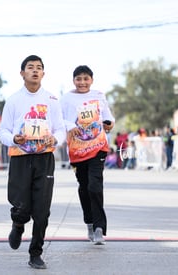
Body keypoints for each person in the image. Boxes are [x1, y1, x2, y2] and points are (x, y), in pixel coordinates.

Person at [0, 55, 66, 270]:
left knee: (42, 210)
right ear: (22, 73)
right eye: (30, 67)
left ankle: (36, 253)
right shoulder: (14, 100)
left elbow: (61, 129)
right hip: (20, 157)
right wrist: (13, 139)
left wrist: (55, 139)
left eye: (39, 68)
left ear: (43, 74)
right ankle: (18, 224)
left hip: (44, 158)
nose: (35, 71)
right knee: (21, 205)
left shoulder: (52, 100)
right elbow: (3, 131)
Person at [60, 65, 115, 245]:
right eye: (79, 79)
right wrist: (71, 126)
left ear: (92, 80)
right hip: (77, 149)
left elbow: (107, 115)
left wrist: (109, 123)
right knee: (84, 187)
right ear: (73, 80)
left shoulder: (98, 96)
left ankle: (99, 229)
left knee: (95, 186)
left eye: (86, 79)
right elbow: (61, 119)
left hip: (97, 146)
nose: (82, 83)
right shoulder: (67, 98)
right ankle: (90, 223)